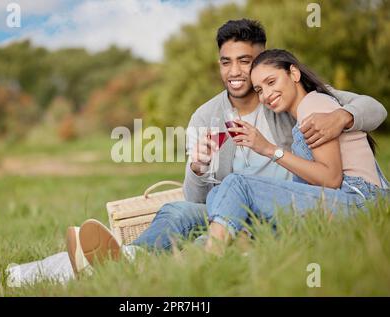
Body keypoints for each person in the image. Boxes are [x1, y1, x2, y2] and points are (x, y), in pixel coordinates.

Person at [67, 19, 387, 270]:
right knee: (177, 211)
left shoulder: (286, 95)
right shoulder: (206, 116)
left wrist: (344, 116)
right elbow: (196, 198)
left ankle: (200, 256)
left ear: (262, 60)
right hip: (233, 209)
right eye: (225, 62)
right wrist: (197, 168)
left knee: (231, 196)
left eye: (245, 61)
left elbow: (375, 108)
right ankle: (128, 258)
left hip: (291, 205)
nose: (234, 72)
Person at [203, 48, 389, 254]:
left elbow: (332, 178)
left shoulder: (312, 104)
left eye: (271, 82)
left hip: (359, 202)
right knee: (218, 193)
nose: (266, 95)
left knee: (237, 183)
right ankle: (241, 244)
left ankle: (213, 255)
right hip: (339, 203)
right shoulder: (303, 111)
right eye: (259, 90)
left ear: (294, 74)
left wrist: (269, 149)